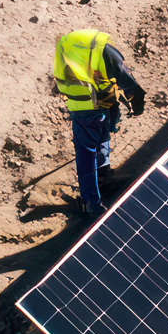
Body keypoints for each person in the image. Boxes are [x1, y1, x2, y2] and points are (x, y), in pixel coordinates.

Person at [51, 28, 147, 216]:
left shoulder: (73, 46)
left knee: (104, 132)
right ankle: (91, 201)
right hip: (89, 106)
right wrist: (137, 101)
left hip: (79, 98)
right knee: (87, 153)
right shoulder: (111, 56)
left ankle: (102, 175)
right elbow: (128, 83)